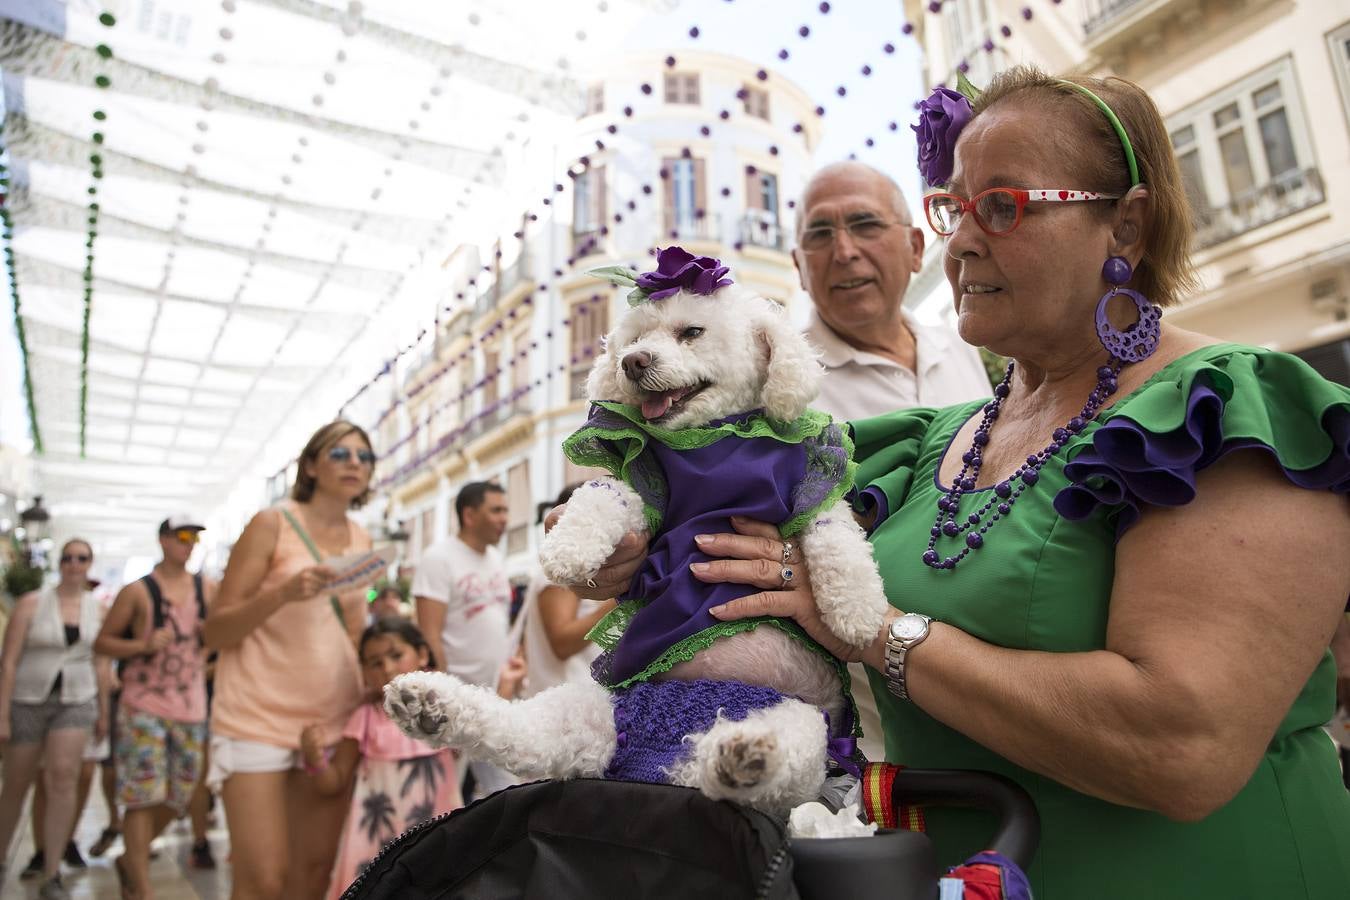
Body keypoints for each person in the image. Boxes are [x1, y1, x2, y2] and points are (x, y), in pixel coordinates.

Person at [574, 67, 1350, 897]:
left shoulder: (1226, 410)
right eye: (954, 209)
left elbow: (1182, 748)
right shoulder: (927, 445)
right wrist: (638, 550)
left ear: (1125, 225)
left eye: (1005, 207)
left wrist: (873, 628)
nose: (962, 242)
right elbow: (733, 552)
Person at [793, 159, 992, 760]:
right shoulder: (778, 389)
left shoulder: (965, 344)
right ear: (799, 268)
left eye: (864, 224)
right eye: (819, 235)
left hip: (997, 699)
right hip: (870, 743)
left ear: (913, 248)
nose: (845, 252)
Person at [204, 421, 375, 900]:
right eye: (340, 454)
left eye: (364, 457)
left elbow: (355, 629)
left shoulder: (362, 538)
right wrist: (281, 594)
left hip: (330, 718)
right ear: (311, 466)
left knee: (312, 874)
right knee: (264, 881)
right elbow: (215, 629)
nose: (354, 464)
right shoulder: (272, 523)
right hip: (255, 716)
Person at [94, 515, 215, 899]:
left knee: (181, 792)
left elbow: (221, 632)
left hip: (191, 706)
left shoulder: (206, 589)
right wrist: (141, 646)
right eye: (182, 536)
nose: (189, 544)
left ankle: (132, 858)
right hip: (143, 705)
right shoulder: (137, 591)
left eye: (194, 538)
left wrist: (207, 653)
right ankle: (141, 888)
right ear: (163, 540)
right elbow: (103, 643)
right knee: (142, 795)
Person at [300, 618, 462, 898]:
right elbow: (333, 781)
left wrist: (506, 687)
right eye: (375, 663)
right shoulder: (364, 719)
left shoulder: (444, 710)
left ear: (422, 654)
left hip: (436, 834)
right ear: (363, 671)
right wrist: (314, 759)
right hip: (375, 841)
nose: (386, 668)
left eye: (396, 655)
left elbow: (480, 744)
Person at [0, 539, 111, 900]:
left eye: (82, 558)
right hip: (28, 699)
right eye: (68, 558)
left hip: (76, 699)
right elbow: (9, 661)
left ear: (90, 563)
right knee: (17, 783)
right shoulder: (31, 604)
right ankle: (2, 857)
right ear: (59, 562)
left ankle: (52, 870)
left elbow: (101, 662)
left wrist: (104, 711)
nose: (74, 564)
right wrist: (2, 713)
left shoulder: (97, 610)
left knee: (64, 777)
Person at [413, 481, 517, 799]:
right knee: (444, 797)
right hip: (457, 704)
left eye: (506, 510)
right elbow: (429, 632)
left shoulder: (496, 559)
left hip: (494, 700)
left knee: (507, 788)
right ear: (469, 515)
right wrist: (446, 700)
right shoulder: (438, 559)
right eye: (496, 510)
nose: (504, 519)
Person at [520, 485, 615, 698]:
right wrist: (619, 601)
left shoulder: (579, 566)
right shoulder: (562, 568)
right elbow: (562, 642)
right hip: (563, 703)